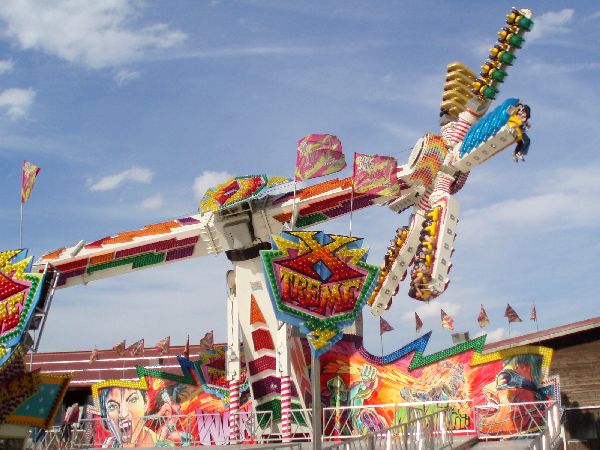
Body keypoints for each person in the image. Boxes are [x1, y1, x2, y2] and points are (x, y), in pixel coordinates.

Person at [99, 387, 173, 448]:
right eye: (112, 406)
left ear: (145, 402)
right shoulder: (109, 445)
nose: (123, 415)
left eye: (133, 400)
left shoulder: (166, 447)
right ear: (105, 416)